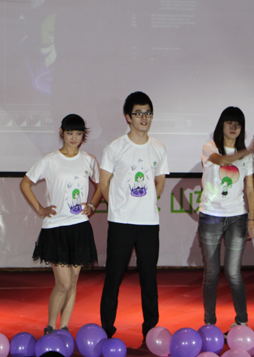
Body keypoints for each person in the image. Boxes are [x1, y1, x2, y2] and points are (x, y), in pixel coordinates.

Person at [20, 114, 102, 334]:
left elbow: (101, 186)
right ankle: (50, 326)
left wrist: (92, 205)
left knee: (73, 282)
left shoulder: (89, 160)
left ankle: (64, 327)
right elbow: (25, 183)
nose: (74, 138)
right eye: (69, 133)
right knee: (63, 283)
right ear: (61, 133)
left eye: (78, 133)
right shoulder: (49, 160)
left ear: (83, 135)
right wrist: (40, 209)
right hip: (55, 228)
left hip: (80, 226)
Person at [99, 91, 169, 340]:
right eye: (138, 113)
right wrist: (118, 206)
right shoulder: (115, 147)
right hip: (121, 223)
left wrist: (146, 201)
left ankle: (150, 330)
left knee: (149, 279)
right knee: (113, 277)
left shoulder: (158, 148)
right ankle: (107, 330)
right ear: (128, 117)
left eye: (148, 113)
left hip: (149, 223)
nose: (144, 118)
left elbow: (160, 182)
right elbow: (103, 183)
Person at [198, 107, 254, 334]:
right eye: (229, 122)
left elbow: (250, 190)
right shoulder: (210, 148)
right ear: (221, 125)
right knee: (211, 273)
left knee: (233, 273)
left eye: (238, 124)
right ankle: (209, 324)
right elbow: (223, 160)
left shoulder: (247, 156)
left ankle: (241, 322)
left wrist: (251, 219)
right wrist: (246, 151)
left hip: (237, 218)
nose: (234, 127)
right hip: (211, 217)